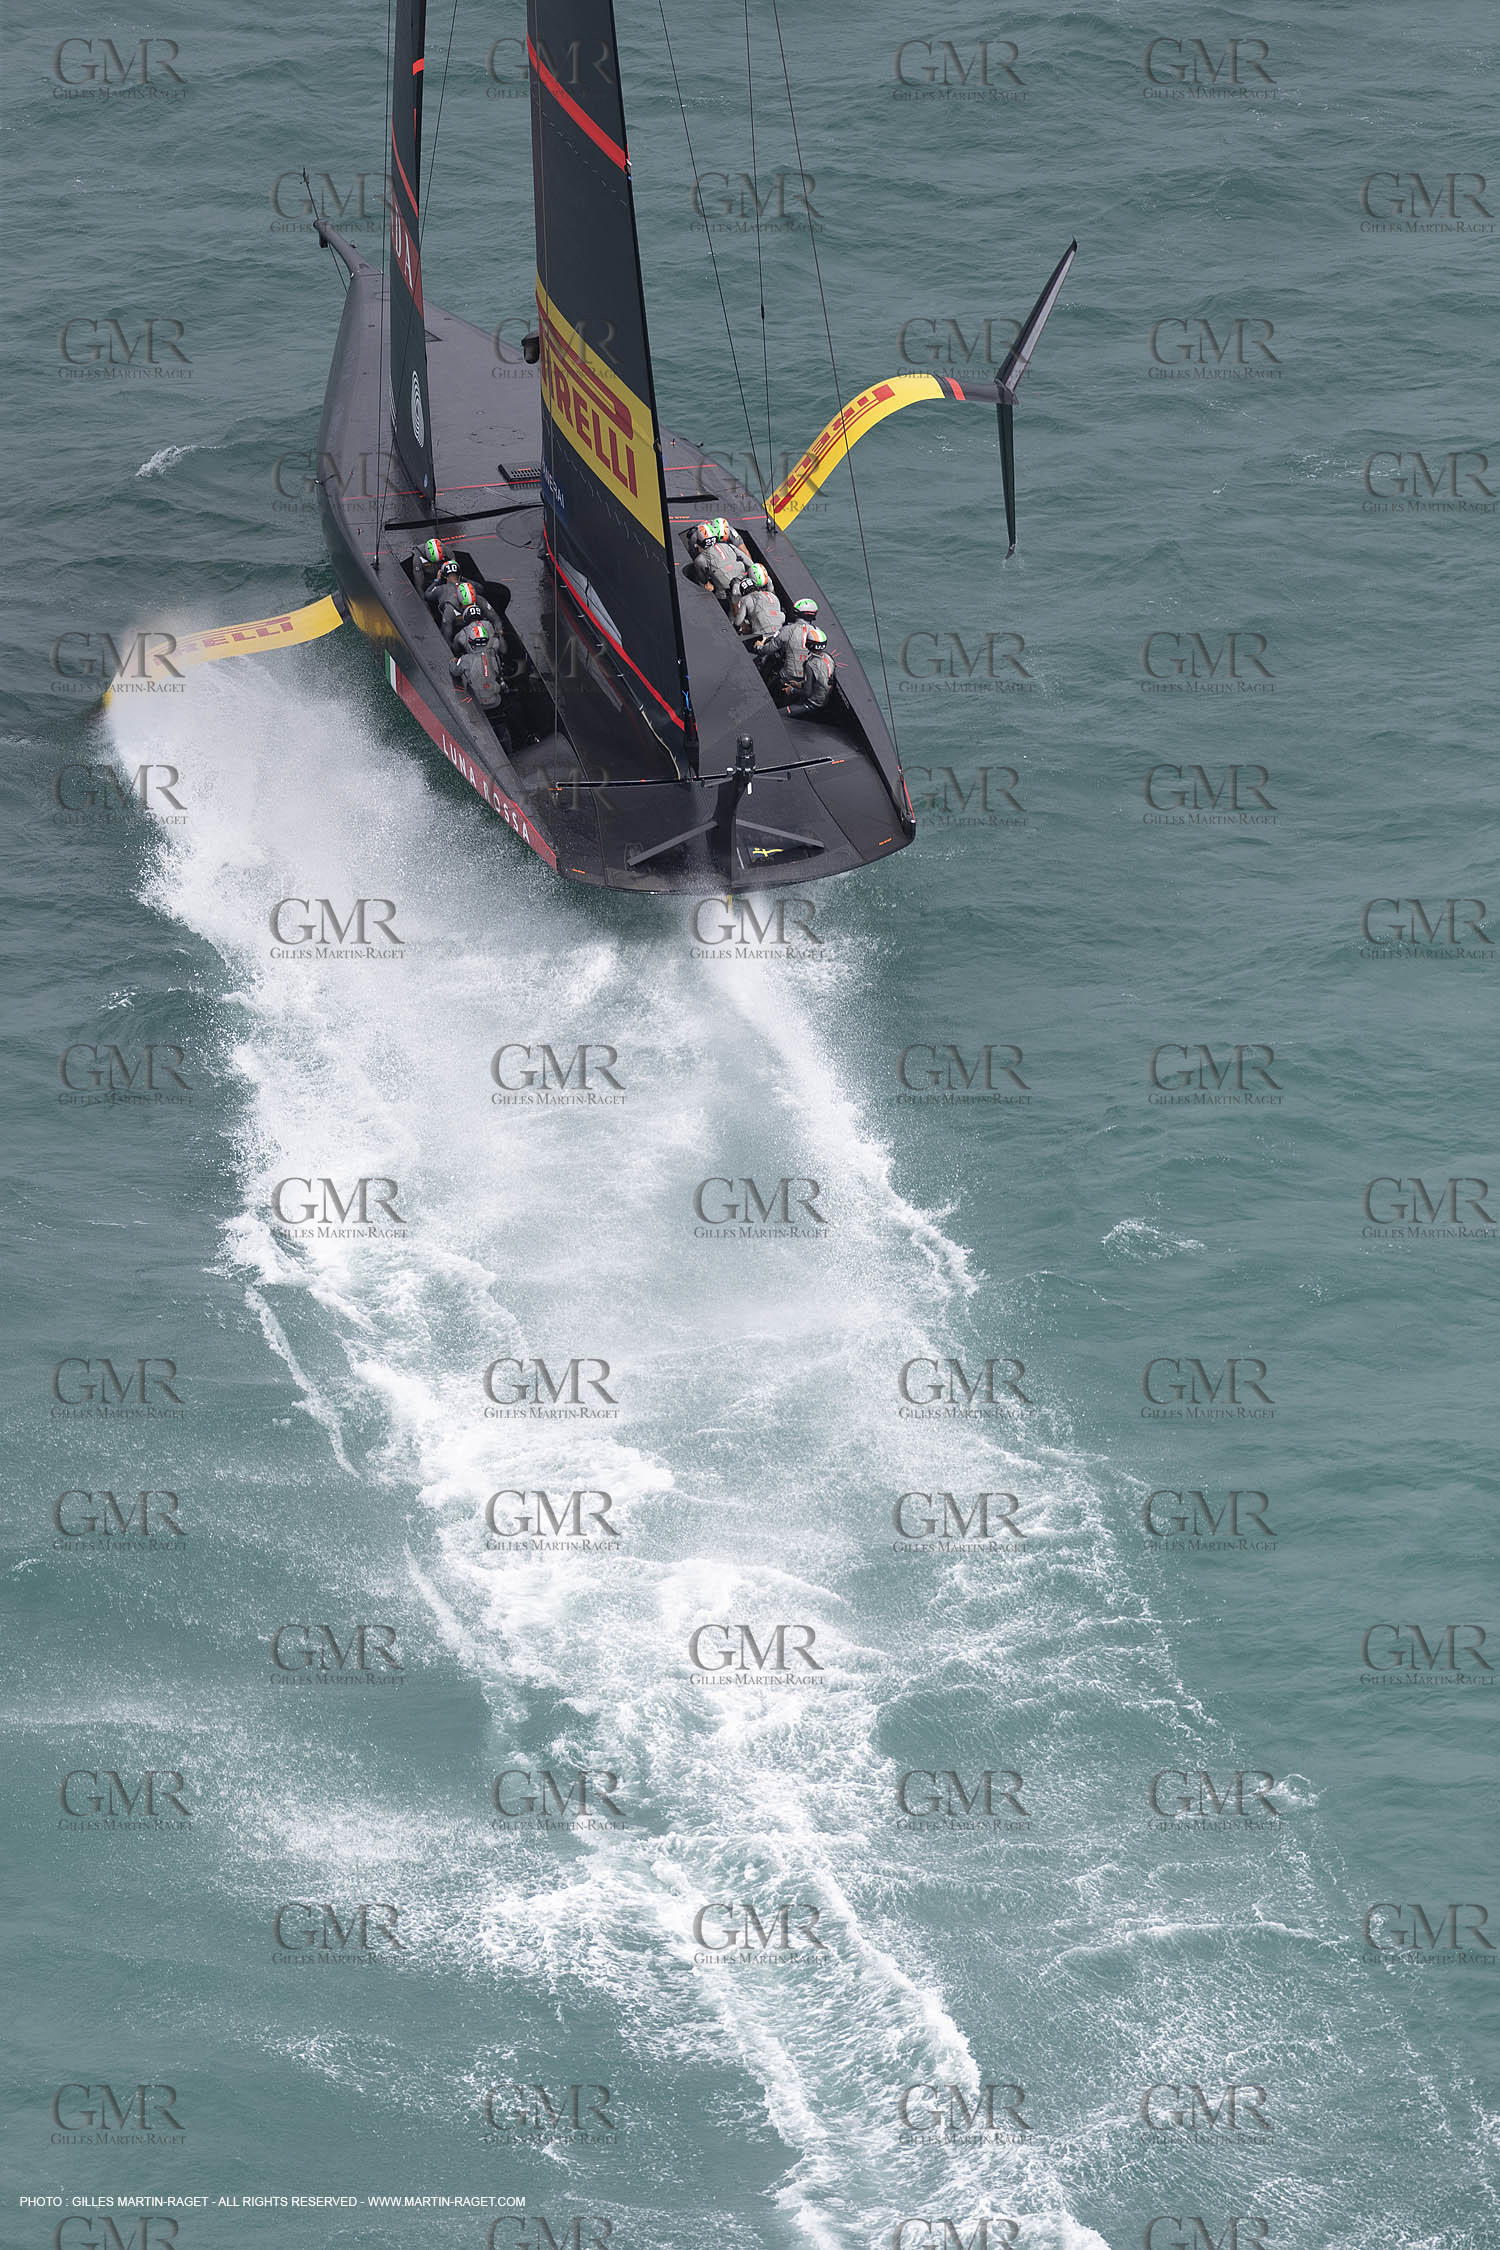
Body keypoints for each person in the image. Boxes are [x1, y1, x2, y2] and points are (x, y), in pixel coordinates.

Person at [760, 598, 821, 694]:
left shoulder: (786, 630)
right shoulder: (818, 632)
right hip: (807, 680)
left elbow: (768, 649)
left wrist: (759, 647)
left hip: (787, 677)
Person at [451, 622, 506, 709]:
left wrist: (452, 662)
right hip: (494, 702)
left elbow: (455, 672)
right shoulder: (495, 657)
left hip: (476, 703)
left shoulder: (465, 659)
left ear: (471, 642)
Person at [731, 564, 784, 647]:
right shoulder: (772, 596)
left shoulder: (745, 599)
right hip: (779, 630)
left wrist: (735, 630)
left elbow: (738, 621)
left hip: (761, 634)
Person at [785, 628, 835, 714]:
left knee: (782, 713)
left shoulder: (810, 664)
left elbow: (807, 693)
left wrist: (792, 690)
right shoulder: (828, 657)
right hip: (825, 699)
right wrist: (800, 684)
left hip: (814, 703)